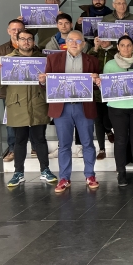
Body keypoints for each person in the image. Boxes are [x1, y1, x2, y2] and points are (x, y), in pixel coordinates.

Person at [0, 29, 57, 187]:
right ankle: (18, 173)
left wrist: (45, 79)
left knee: (40, 139)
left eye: (29, 39)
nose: (26, 42)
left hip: (38, 104)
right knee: (20, 141)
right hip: (17, 105)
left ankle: (45, 171)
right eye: (23, 39)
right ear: (17, 41)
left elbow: (52, 84)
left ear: (33, 41)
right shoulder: (8, 60)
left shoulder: (43, 60)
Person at [40, 30, 100, 193]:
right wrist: (43, 81)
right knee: (64, 144)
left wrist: (96, 80)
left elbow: (96, 86)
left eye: (78, 41)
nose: (74, 43)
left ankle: (90, 175)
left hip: (83, 106)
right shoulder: (53, 59)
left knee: (87, 143)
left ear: (84, 44)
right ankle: (64, 178)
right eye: (71, 40)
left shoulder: (92, 60)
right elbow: (46, 85)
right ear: (66, 42)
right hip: (62, 108)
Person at [97, 35, 133, 186]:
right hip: (117, 108)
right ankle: (121, 172)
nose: (126, 48)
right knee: (120, 140)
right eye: (123, 45)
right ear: (118, 47)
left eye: (129, 45)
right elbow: (105, 87)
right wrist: (101, 84)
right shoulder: (110, 65)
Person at [0, 18, 26, 162]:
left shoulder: (33, 47)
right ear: (8, 31)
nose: (17, 32)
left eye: (20, 29)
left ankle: (32, 147)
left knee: (31, 120)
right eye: (13, 29)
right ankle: (12, 149)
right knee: (11, 123)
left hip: (28, 91)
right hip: (8, 92)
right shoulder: (1, 50)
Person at [88, 36, 117, 160]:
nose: (103, 41)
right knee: (98, 121)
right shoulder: (93, 51)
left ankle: (108, 130)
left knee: (108, 120)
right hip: (96, 93)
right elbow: (88, 62)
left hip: (112, 92)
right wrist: (95, 47)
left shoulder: (116, 51)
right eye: (101, 38)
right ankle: (102, 149)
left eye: (106, 38)